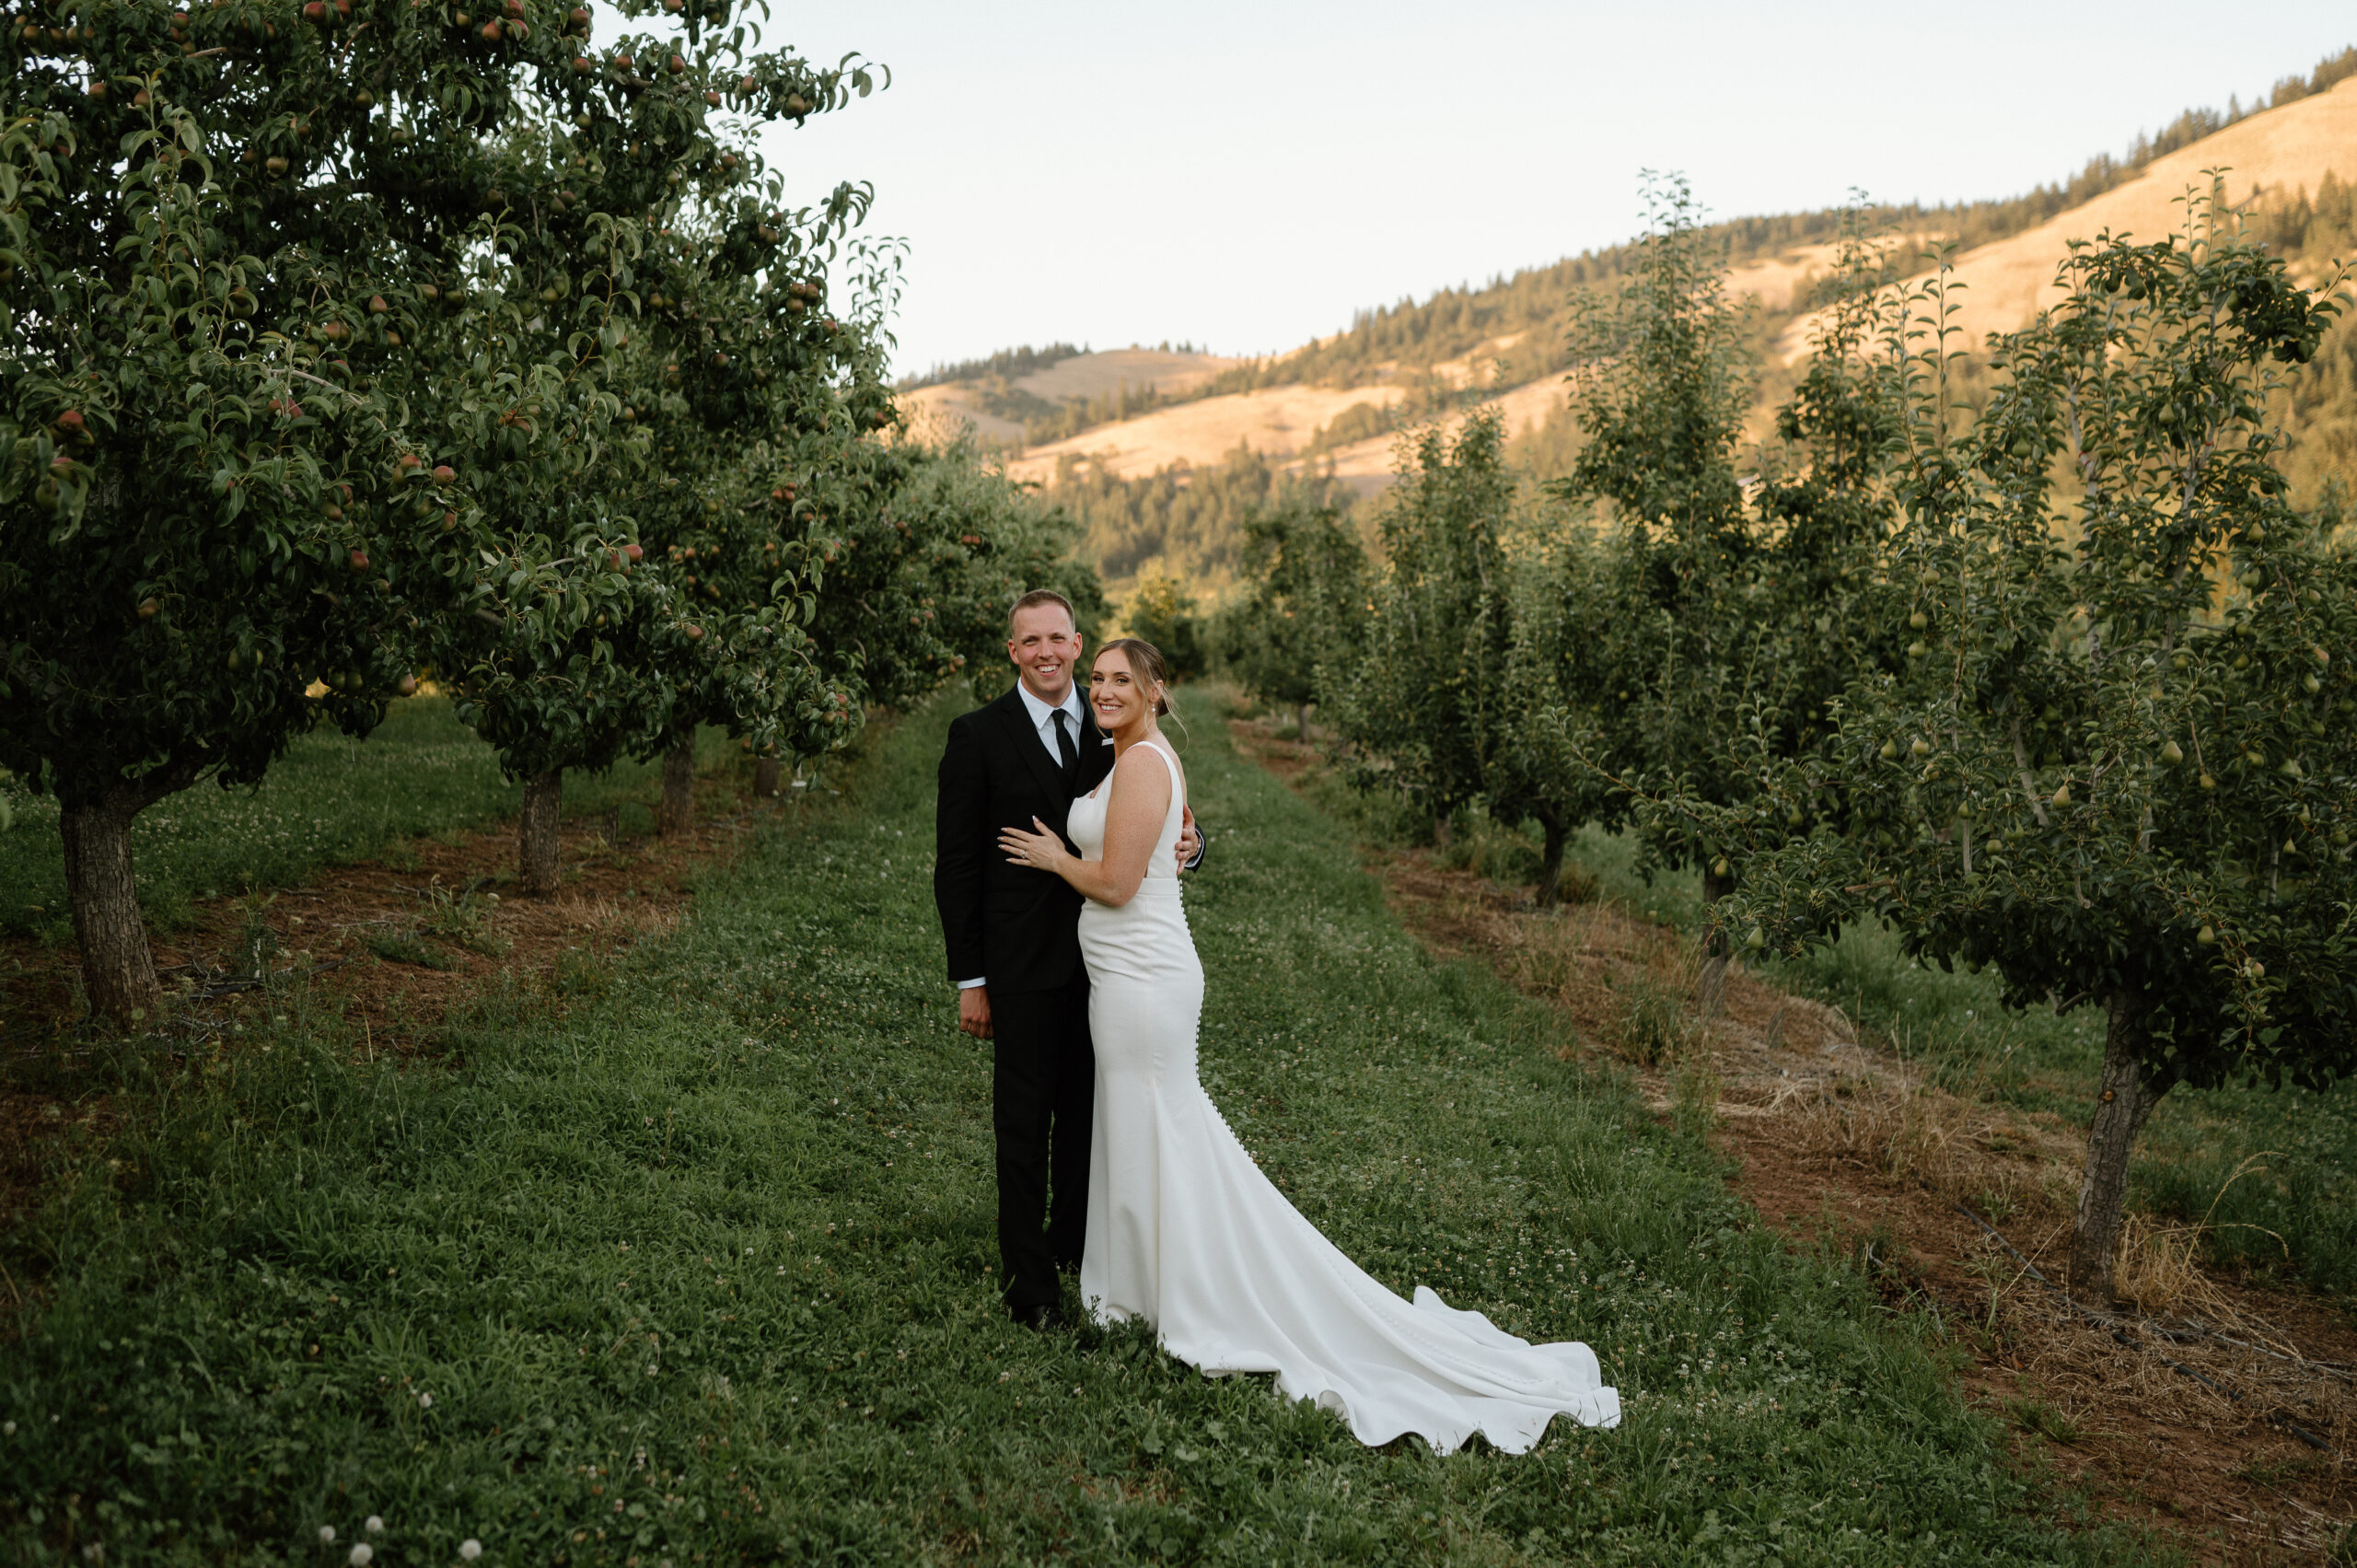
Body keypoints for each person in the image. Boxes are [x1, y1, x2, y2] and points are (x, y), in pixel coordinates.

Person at [999, 637, 1620, 1454]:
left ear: (1156, 689)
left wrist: (1055, 855)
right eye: (1100, 678)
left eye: (1123, 679)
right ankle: (1140, 1286)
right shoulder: (1126, 756)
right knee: (1139, 1124)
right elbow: (1159, 850)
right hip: (1123, 975)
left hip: (1146, 979)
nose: (1106, 690)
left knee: (1162, 1122)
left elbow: (1116, 882)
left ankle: (1192, 1293)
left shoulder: (1146, 762)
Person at [933, 590, 1199, 1330]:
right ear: (1013, 651)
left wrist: (1193, 842)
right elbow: (956, 868)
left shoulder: (1112, 724)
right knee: (1022, 1124)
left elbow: (1156, 812)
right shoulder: (977, 735)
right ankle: (1032, 1288)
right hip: (1020, 968)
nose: (1047, 652)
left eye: (1060, 638)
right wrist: (972, 979)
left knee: (1091, 1119)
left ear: (1078, 646)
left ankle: (1079, 1250)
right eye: (1031, 641)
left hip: (1111, 970)